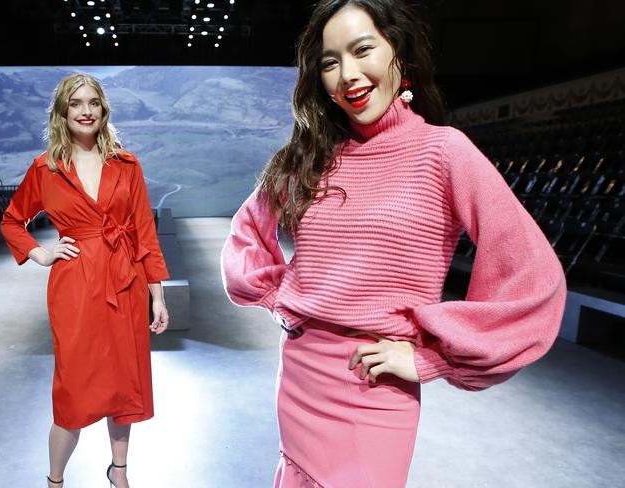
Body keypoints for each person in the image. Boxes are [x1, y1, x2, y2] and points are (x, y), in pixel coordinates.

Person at [220, 1, 567, 487]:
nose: (348, 74)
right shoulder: (309, 155)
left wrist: (433, 357)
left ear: (399, 55)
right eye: (329, 61)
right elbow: (246, 234)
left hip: (376, 383)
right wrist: (277, 295)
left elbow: (534, 277)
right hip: (301, 371)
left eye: (363, 50)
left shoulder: (444, 151)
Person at [0, 73, 170, 488]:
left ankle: (120, 472)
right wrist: (41, 254)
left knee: (123, 385)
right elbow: (12, 220)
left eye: (93, 102)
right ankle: (55, 480)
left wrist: (157, 295)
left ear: (103, 109)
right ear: (62, 111)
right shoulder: (45, 168)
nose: (86, 111)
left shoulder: (126, 164)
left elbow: (144, 232)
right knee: (73, 390)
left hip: (125, 282)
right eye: (76, 103)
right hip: (74, 287)